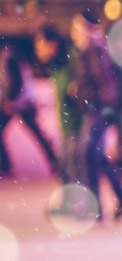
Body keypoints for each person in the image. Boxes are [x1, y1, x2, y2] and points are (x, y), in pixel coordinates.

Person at [69, 9, 122, 221]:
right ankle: (121, 201)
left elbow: (104, 82)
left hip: (96, 112)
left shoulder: (93, 49)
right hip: (97, 110)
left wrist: (96, 106)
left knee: (86, 156)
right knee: (96, 158)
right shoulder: (94, 48)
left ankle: (96, 207)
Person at [0, 43, 58, 178]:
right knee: (36, 133)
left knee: (35, 132)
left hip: (18, 102)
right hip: (23, 101)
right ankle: (54, 161)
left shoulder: (8, 57)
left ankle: (6, 165)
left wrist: (10, 99)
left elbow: (15, 80)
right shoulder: (12, 55)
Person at [34, 25, 81, 186]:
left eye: (40, 48)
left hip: (77, 124)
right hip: (68, 125)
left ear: (52, 45)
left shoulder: (72, 61)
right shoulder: (56, 66)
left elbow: (82, 88)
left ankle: (72, 200)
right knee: (69, 165)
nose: (38, 53)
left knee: (70, 166)